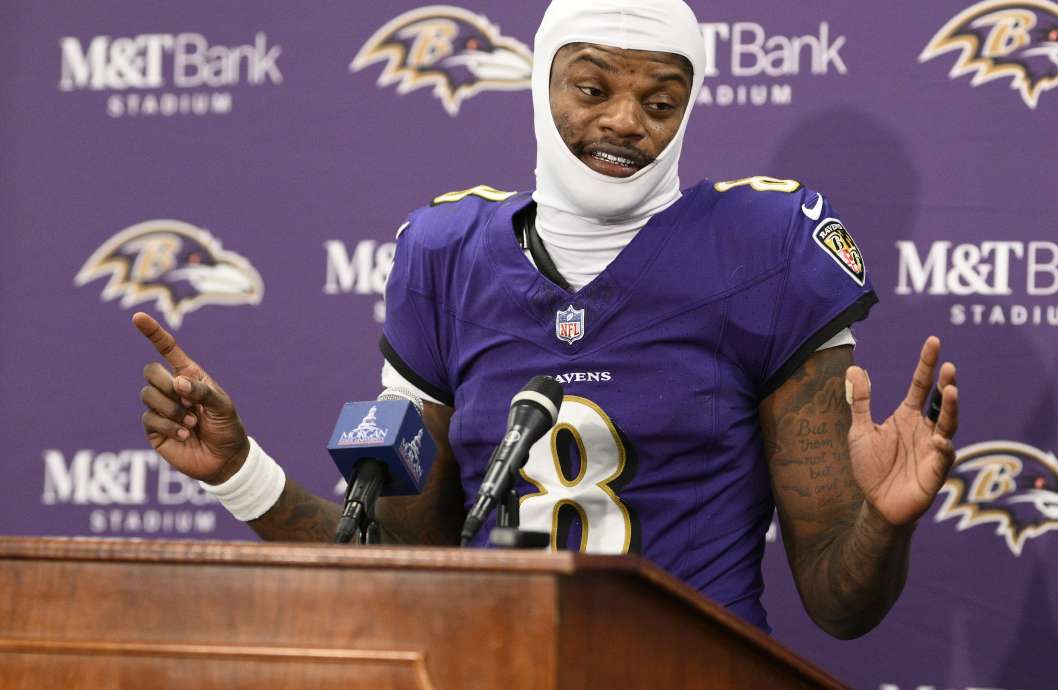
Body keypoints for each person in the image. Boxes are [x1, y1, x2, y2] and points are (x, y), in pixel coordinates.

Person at [135, 0, 959, 639]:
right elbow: (394, 568)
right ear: (542, 84)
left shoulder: (765, 248)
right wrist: (242, 471)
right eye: (594, 88)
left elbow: (839, 601)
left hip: (693, 671)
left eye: (661, 101)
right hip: (500, 664)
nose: (626, 121)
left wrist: (880, 525)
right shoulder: (447, 253)